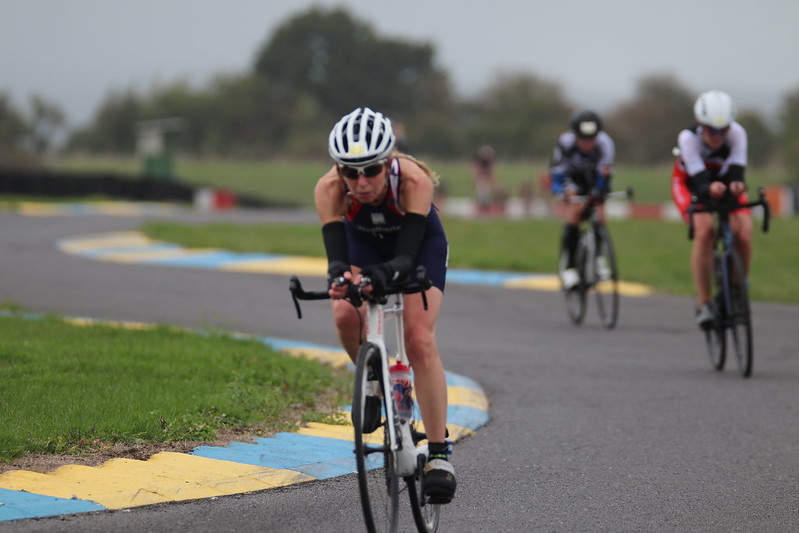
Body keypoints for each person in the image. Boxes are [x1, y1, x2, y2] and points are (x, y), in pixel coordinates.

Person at [314, 107, 456, 504]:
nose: (360, 182)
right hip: (363, 241)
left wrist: (383, 276)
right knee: (343, 311)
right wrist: (342, 278)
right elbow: (338, 263)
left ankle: (440, 454)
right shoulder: (328, 190)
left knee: (418, 339)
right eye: (349, 171)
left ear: (390, 161)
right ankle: (374, 383)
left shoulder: (414, 180)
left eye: (371, 170)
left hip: (417, 246)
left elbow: (406, 260)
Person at [671, 90, 752, 327]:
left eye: (723, 129)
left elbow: (737, 172)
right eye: (711, 129)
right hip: (691, 184)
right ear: (700, 124)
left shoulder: (737, 134)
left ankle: (737, 289)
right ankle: (704, 302)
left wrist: (736, 185)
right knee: (704, 232)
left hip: (723, 183)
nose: (717, 136)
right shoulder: (687, 138)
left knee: (744, 233)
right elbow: (700, 180)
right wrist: (709, 188)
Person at [550, 110, 615, 289]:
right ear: (575, 136)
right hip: (572, 177)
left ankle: (598, 257)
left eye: (591, 139)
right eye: (583, 139)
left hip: (594, 177)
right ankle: (570, 266)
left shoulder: (605, 144)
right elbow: (557, 175)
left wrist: (598, 194)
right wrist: (561, 193)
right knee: (574, 211)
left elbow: (605, 174)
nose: (587, 144)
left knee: (600, 213)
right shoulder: (565, 143)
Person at [471, 144, 497, 214]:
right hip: (482, 183)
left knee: (486, 198)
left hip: (485, 183)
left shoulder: (489, 164)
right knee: (480, 197)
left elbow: (492, 175)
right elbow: (476, 174)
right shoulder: (479, 164)